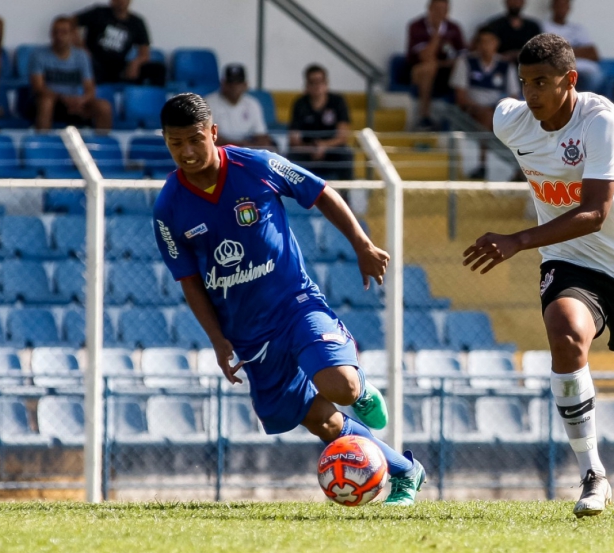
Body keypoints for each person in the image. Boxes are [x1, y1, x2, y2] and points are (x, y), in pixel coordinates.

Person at [462, 34, 614, 519]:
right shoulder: (512, 120)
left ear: (570, 80)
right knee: (566, 334)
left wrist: (515, 240)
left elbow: (595, 211)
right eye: (525, 83)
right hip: (567, 260)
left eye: (543, 83)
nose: (531, 94)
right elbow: (477, 109)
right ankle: (593, 475)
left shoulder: (602, 122)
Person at [153, 93, 426, 505]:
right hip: (247, 332)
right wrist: (217, 339)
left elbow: (320, 192)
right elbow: (189, 281)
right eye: (176, 144)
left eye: (195, 139)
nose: (188, 152)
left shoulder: (257, 165)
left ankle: (363, 389)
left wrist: (361, 244)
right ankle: (406, 473)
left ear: (213, 132)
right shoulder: (167, 209)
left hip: (295, 304)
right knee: (323, 423)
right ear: (166, 141)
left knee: (342, 387)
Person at [28, 16, 112, 131]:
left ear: (72, 35)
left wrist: (82, 100)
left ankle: (102, 147)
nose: (59, 36)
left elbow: (90, 88)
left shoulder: (82, 56)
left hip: (75, 102)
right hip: (53, 101)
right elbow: (38, 87)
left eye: (64, 32)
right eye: (55, 32)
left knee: (104, 107)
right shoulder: (39, 55)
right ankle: (43, 144)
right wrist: (63, 98)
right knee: (46, 101)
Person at [73, 0, 165, 86]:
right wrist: (81, 47)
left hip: (119, 67)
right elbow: (70, 22)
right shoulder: (98, 13)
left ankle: (151, 99)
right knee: (86, 66)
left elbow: (144, 53)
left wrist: (136, 63)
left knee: (158, 69)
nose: (121, 2)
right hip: (95, 63)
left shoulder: (137, 22)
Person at [406, 0, 466, 129]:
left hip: (446, 70)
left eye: (444, 10)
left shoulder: (454, 28)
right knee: (429, 67)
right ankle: (424, 116)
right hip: (419, 71)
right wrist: (437, 35)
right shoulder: (416, 26)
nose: (440, 13)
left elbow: (463, 56)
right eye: (437, 9)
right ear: (429, 9)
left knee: (463, 68)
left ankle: (462, 119)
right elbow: (426, 57)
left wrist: (445, 63)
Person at [288, 64, 354, 181]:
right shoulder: (300, 104)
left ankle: (345, 195)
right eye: (312, 82)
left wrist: (324, 146)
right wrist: (311, 148)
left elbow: (342, 136)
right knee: (290, 157)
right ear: (306, 85)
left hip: (331, 150)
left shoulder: (338, 102)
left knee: (346, 154)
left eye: (320, 81)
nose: (317, 86)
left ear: (326, 83)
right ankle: (295, 196)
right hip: (307, 151)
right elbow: (294, 140)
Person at [449, 27, 518, 131]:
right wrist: (479, 109)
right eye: (482, 42)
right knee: (487, 116)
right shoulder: (465, 62)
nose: (485, 45)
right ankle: (484, 147)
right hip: (471, 109)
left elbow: (513, 96)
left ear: (496, 43)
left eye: (489, 41)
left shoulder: (506, 66)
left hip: (497, 109)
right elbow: (460, 96)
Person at [204, 64, 273, 149]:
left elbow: (261, 135)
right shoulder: (209, 103)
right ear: (223, 84)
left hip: (246, 151)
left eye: (238, 83)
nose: (234, 87)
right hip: (219, 152)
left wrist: (258, 146)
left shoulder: (252, 104)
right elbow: (208, 136)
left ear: (245, 85)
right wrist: (240, 146)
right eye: (230, 83)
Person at [542, 0, 602, 93]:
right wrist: (580, 51)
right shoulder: (543, 27)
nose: (562, 8)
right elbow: (549, 54)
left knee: (599, 76)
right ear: (552, 6)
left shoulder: (578, 28)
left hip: (583, 69)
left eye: (565, 5)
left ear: (569, 8)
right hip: (557, 69)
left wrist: (564, 51)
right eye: (559, 5)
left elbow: (594, 54)